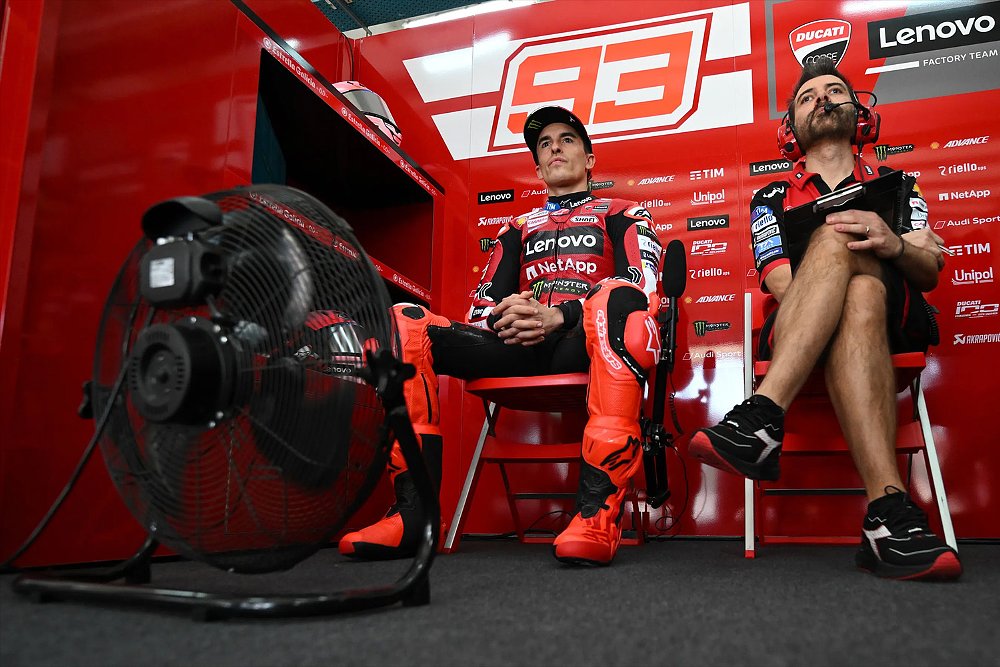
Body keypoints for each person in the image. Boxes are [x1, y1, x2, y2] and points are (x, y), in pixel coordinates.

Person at [338, 106, 664, 566]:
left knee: (620, 303)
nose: (555, 146)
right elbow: (479, 308)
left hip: (585, 344)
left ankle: (597, 516)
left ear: (590, 160)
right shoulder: (516, 227)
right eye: (545, 143)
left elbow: (645, 286)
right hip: (520, 346)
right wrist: (509, 317)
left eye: (567, 139)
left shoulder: (624, 212)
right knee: (403, 322)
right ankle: (415, 518)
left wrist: (561, 315)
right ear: (537, 168)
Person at [690, 62, 962, 581]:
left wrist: (894, 242)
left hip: (894, 317)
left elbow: (927, 272)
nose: (823, 98)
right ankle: (889, 516)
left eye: (835, 90)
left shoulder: (900, 186)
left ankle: (762, 418)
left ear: (860, 114)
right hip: (799, 323)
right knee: (855, 290)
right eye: (808, 96)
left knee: (849, 253)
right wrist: (846, 263)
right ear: (791, 125)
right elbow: (780, 285)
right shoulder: (769, 198)